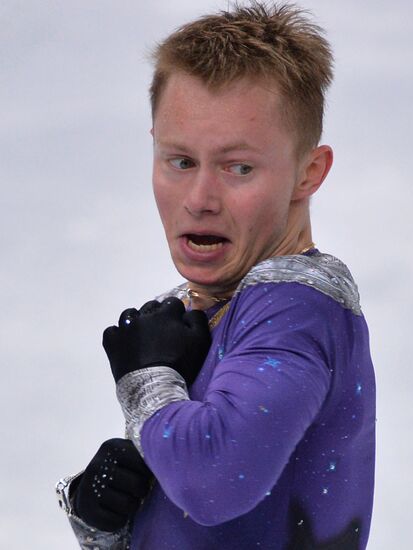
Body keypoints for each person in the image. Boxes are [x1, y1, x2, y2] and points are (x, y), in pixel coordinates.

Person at [56, 2, 376, 548]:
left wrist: (147, 383)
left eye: (239, 167)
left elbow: (212, 483)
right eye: (180, 161)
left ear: (309, 172)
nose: (200, 199)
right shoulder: (207, 308)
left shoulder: (295, 312)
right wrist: (104, 520)